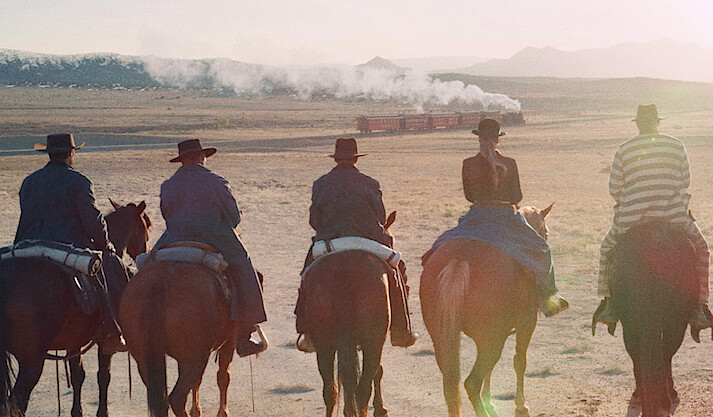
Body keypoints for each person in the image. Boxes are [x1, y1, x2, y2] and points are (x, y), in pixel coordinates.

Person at [423, 119, 568, 317]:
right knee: (542, 248)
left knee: (440, 244)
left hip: (477, 216)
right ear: (497, 141)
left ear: (480, 140)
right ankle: (548, 299)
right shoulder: (509, 163)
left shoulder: (469, 164)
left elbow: (469, 196)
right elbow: (517, 198)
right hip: (505, 216)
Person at [594, 105, 713, 336]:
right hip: (673, 216)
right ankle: (699, 306)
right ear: (658, 122)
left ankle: (608, 303)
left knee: (606, 248)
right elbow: (685, 181)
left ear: (638, 124)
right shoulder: (676, 146)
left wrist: (633, 201)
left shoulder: (624, 150)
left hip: (631, 219)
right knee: (702, 248)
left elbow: (614, 188)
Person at [295, 138, 417, 353]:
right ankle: (401, 328)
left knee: (307, 275)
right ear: (355, 159)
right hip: (368, 243)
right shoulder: (370, 183)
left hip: (330, 244)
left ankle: (306, 331)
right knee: (398, 271)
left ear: (336, 159)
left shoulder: (321, 183)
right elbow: (381, 218)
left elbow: (314, 221)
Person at [14, 133, 127, 353]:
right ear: (70, 153)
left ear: (49, 154)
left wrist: (20, 245)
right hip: (67, 246)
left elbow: (25, 218)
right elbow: (92, 219)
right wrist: (105, 243)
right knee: (100, 272)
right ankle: (110, 329)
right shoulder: (78, 181)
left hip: (30, 245)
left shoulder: (30, 181)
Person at [154, 139, 267, 357]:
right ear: (201, 158)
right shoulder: (216, 181)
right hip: (215, 238)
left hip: (173, 237)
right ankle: (245, 335)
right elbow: (233, 218)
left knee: (146, 264)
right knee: (243, 265)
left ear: (182, 160)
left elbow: (167, 214)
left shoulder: (167, 185)